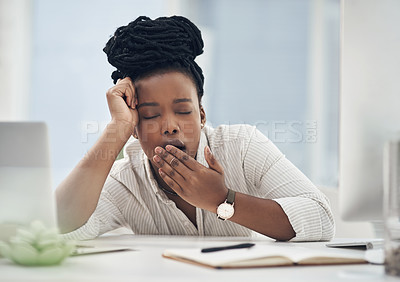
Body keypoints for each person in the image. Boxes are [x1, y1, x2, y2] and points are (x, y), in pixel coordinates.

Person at [56, 15, 334, 242]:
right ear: (136, 127)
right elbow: (59, 228)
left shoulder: (242, 145)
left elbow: (320, 218)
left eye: (183, 111)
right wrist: (117, 128)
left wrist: (222, 200)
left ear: (201, 115)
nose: (171, 126)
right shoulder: (127, 179)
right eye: (151, 115)